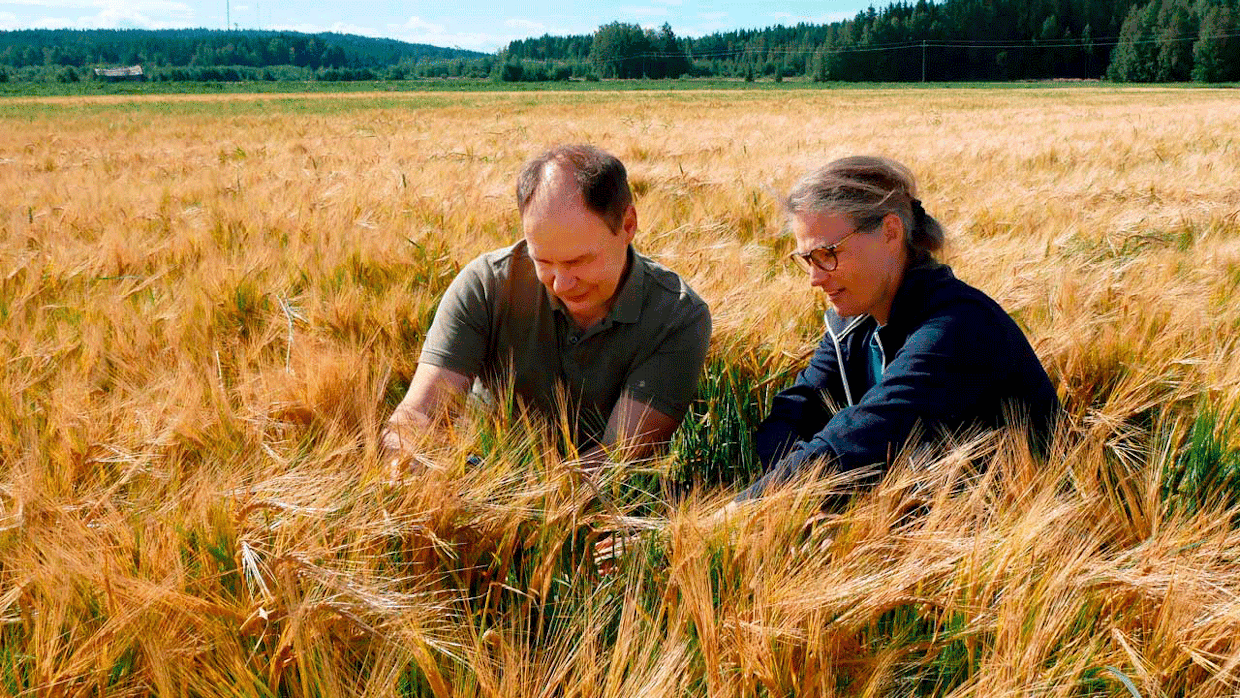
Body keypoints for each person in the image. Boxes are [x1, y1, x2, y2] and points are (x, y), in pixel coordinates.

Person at [738, 155, 1059, 499]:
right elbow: (793, 412)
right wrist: (784, 499)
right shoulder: (849, 325)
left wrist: (746, 508)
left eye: (827, 254)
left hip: (1006, 517)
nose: (815, 278)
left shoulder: (957, 326)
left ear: (890, 232)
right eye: (807, 260)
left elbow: (871, 431)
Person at [382, 144, 712, 470]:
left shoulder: (677, 316)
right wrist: (405, 461)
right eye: (543, 261)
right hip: (473, 476)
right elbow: (416, 415)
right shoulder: (486, 284)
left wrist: (518, 495)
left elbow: (615, 459)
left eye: (578, 261)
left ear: (628, 225)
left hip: (594, 501)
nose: (561, 284)